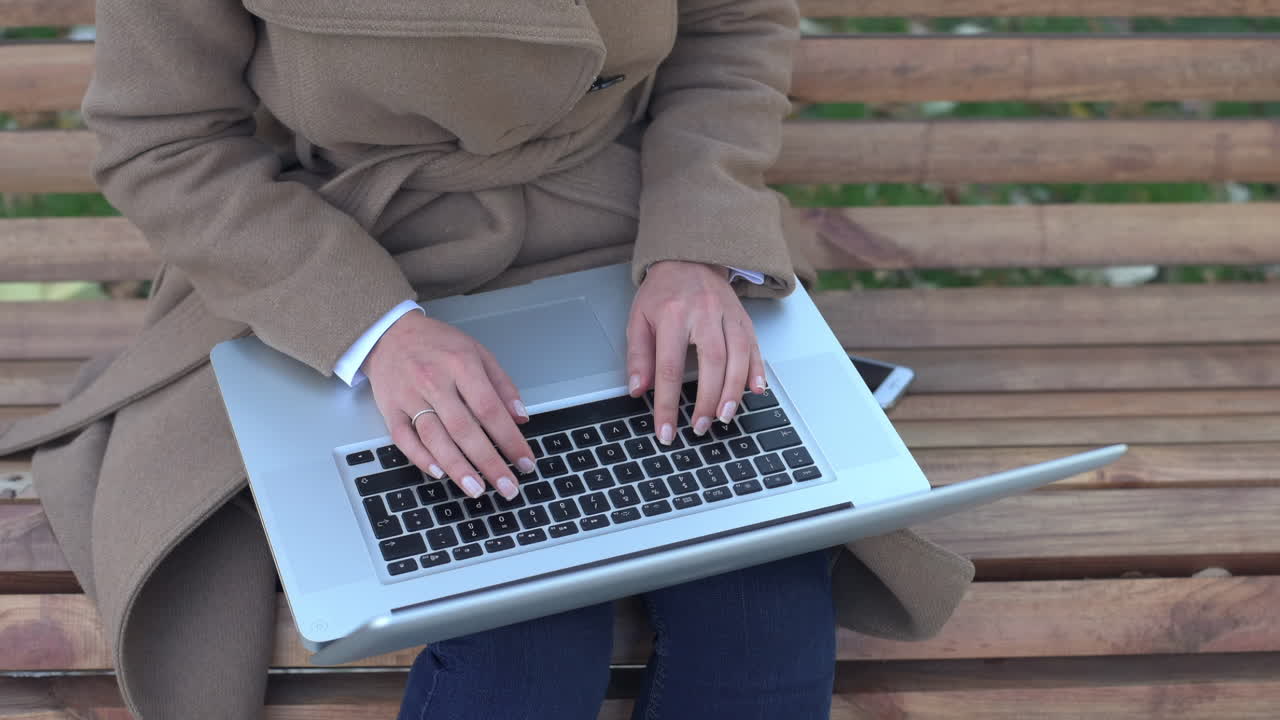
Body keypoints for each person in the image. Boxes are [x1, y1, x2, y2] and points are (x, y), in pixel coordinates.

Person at [0, 0, 976, 717]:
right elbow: (160, 140)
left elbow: (731, 28)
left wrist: (695, 245)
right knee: (523, 647)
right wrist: (373, 330)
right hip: (355, 264)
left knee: (764, 613)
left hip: (629, 250)